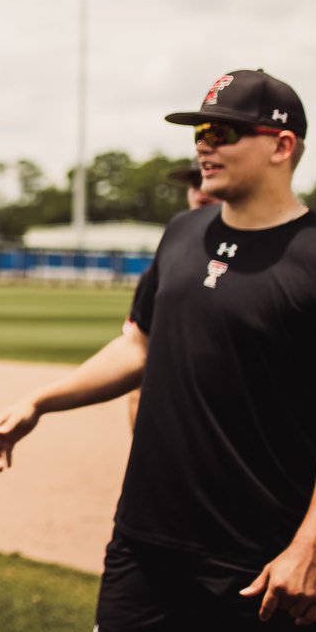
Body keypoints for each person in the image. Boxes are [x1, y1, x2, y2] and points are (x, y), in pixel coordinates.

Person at [0, 68, 316, 632]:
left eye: (224, 132)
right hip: (146, 538)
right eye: (200, 130)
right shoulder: (182, 233)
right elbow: (140, 347)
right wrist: (44, 399)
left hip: (254, 555)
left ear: (282, 146)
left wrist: (314, 546)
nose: (205, 143)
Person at [123, 158, 219, 429]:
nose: (201, 191)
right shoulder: (165, 263)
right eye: (194, 184)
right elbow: (137, 364)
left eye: (206, 180)